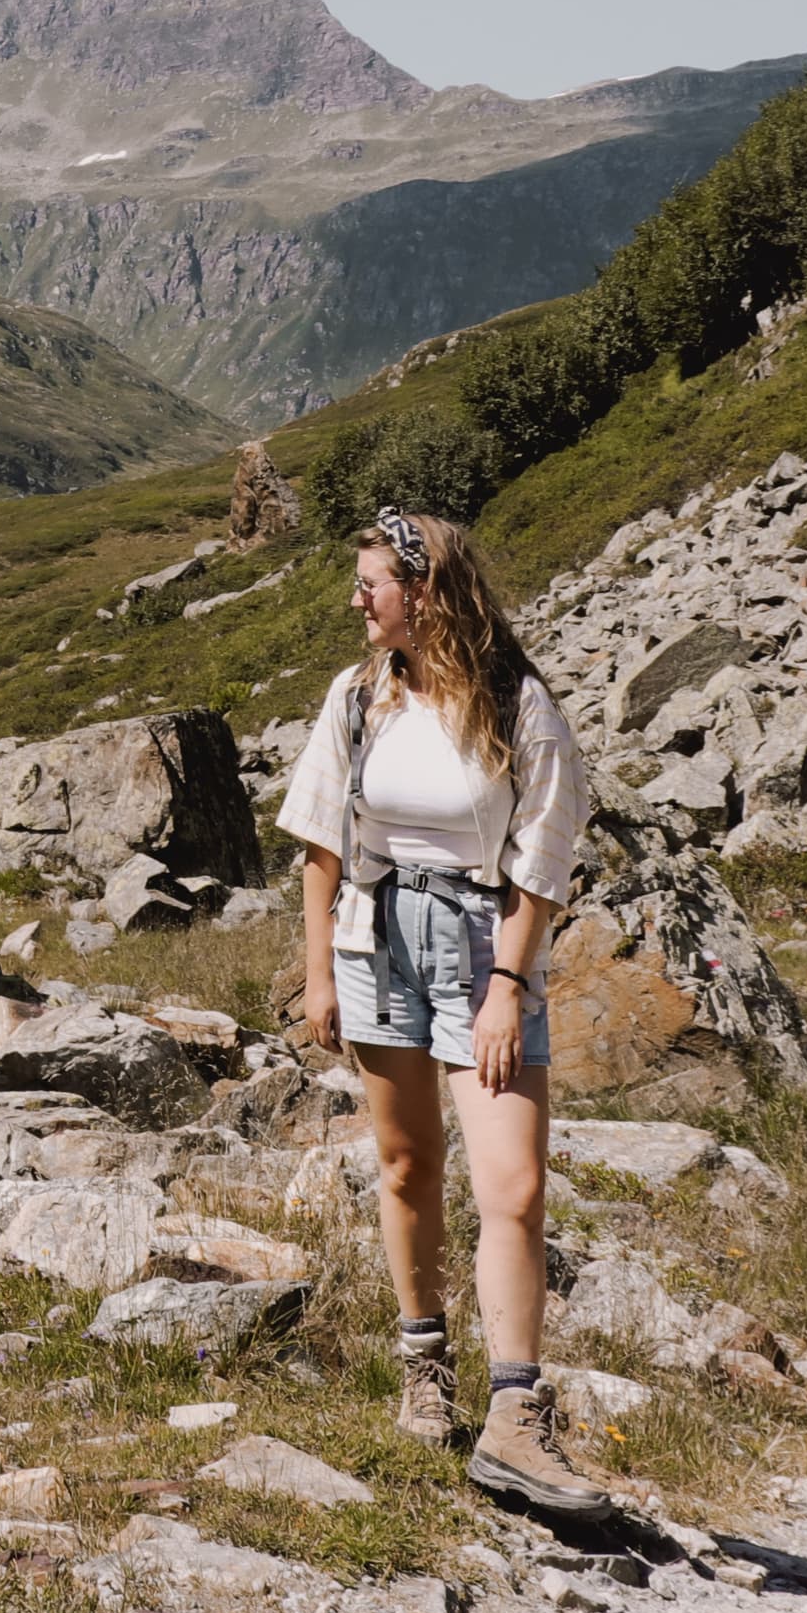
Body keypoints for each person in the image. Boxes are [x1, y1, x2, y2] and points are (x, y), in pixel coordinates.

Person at [279, 503, 618, 1523]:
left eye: (371, 581)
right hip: (377, 934)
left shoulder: (521, 706)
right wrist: (320, 972)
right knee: (406, 1162)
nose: (356, 598)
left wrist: (508, 987)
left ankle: (516, 1417)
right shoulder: (357, 697)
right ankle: (424, 1362)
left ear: (426, 593)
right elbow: (320, 841)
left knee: (512, 1181)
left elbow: (542, 865)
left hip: (480, 949)